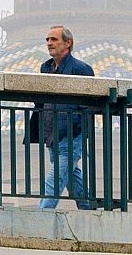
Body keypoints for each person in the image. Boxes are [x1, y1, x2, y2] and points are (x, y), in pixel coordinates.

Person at [34, 25, 94, 210]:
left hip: (70, 135)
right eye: (47, 40)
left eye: (54, 39)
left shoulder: (81, 69)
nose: (49, 43)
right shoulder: (46, 67)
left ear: (68, 43)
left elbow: (89, 103)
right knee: (71, 174)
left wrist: (75, 127)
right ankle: (89, 209)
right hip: (52, 134)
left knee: (56, 177)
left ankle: (41, 216)